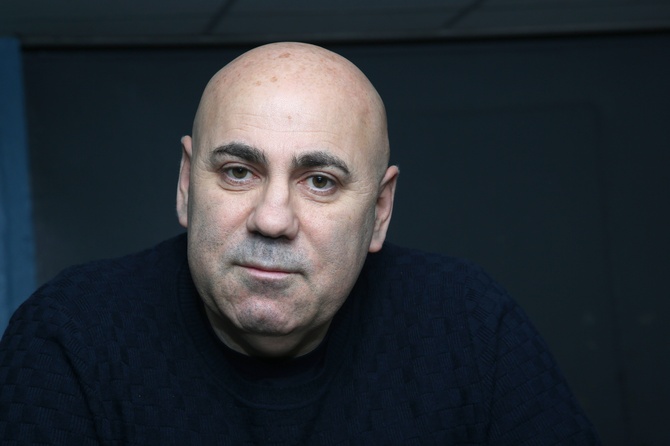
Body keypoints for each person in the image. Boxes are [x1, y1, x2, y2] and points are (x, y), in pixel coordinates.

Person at [0, 42, 600, 444]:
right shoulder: (72, 335)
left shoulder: (467, 324)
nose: (272, 218)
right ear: (186, 185)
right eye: (238, 171)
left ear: (380, 212)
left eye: (320, 181)